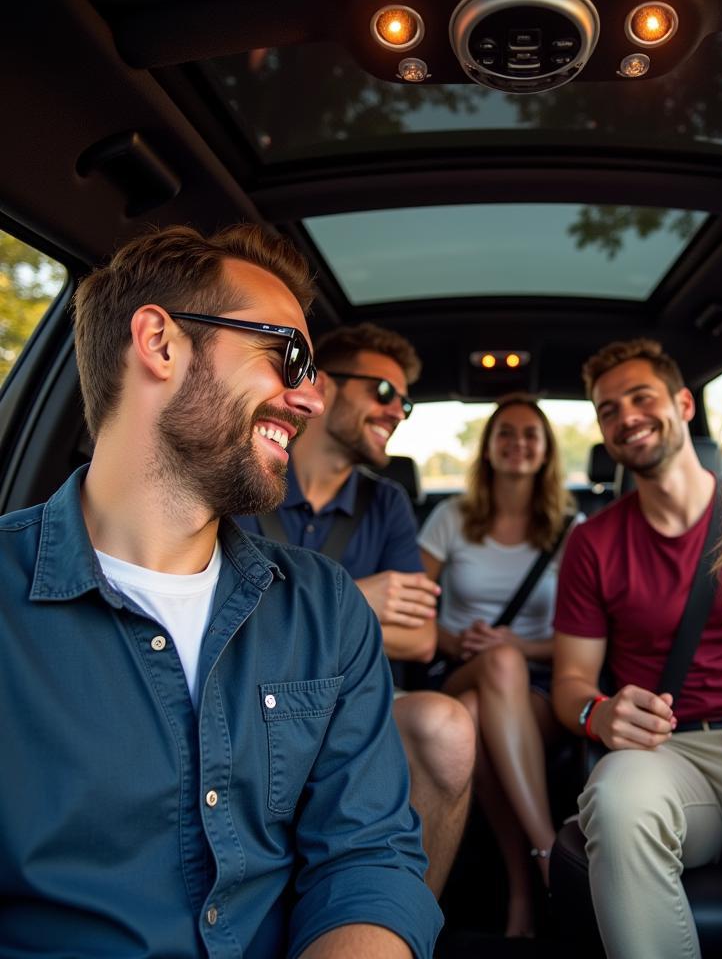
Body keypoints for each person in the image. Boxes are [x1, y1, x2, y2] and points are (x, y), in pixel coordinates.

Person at [0, 224, 441, 958]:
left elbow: (365, 861)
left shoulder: (326, 609)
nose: (306, 398)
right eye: (286, 358)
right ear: (161, 344)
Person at [551, 338, 722, 959]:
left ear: (683, 404)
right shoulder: (593, 542)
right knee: (615, 795)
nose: (625, 415)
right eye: (607, 409)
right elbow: (571, 683)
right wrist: (596, 713)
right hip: (670, 756)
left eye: (640, 397)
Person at [235, 322, 475, 897]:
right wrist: (359, 600)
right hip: (247, 693)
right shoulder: (248, 479)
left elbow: (418, 642)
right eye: (383, 392)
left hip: (359, 699)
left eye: (405, 402)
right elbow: (223, 616)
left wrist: (284, 617)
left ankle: (408, 922)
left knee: (446, 729)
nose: (396, 412)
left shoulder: (386, 501)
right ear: (322, 386)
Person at [418, 394, 575, 937]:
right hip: (460, 664)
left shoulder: (570, 528)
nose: (517, 443)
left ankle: (521, 890)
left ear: (546, 450)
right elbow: (414, 613)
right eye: (505, 433)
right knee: (480, 681)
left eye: (530, 434)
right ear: (487, 448)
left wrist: (519, 647)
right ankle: (547, 850)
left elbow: (583, 640)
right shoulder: (452, 517)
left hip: (538, 687)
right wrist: (457, 641)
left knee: (473, 710)